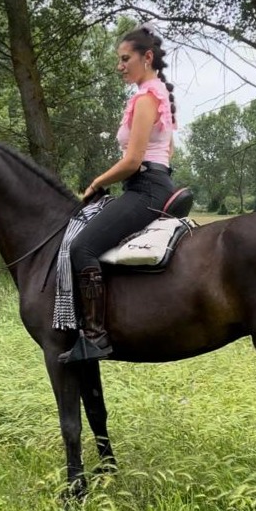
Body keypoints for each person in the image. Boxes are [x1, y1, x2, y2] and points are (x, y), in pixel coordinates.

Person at [58, 25, 177, 364]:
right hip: (154, 184)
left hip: (145, 190)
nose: (119, 66)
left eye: (125, 59)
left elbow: (133, 161)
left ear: (147, 57)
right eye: (119, 60)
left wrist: (97, 182)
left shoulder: (146, 98)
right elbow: (165, 151)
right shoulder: (158, 94)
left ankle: (95, 337)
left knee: (82, 246)